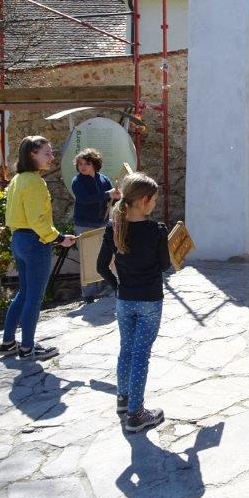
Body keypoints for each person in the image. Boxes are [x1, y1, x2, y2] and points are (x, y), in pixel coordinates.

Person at [96, 172, 171, 434]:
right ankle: (136, 414)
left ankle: (123, 399)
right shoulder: (157, 230)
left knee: (126, 350)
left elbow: (101, 266)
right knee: (141, 355)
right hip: (150, 300)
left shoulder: (114, 227)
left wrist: (117, 287)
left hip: (124, 300)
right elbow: (164, 265)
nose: (155, 204)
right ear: (144, 201)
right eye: (154, 200)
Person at [0, 136, 76, 360]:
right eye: (47, 153)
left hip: (19, 239)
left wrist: (55, 237)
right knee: (34, 297)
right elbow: (37, 220)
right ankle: (27, 348)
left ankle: (8, 342)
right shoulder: (34, 182)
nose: (51, 157)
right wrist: (59, 238)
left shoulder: (18, 179)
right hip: (35, 242)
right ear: (32, 154)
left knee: (24, 293)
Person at [71, 147, 118, 304]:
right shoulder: (77, 181)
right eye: (80, 164)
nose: (83, 167)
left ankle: (107, 287)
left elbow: (110, 200)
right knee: (88, 259)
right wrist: (107, 194)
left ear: (95, 164)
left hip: (102, 223)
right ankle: (88, 295)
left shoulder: (103, 179)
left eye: (87, 163)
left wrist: (116, 196)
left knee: (105, 257)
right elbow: (85, 199)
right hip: (84, 225)